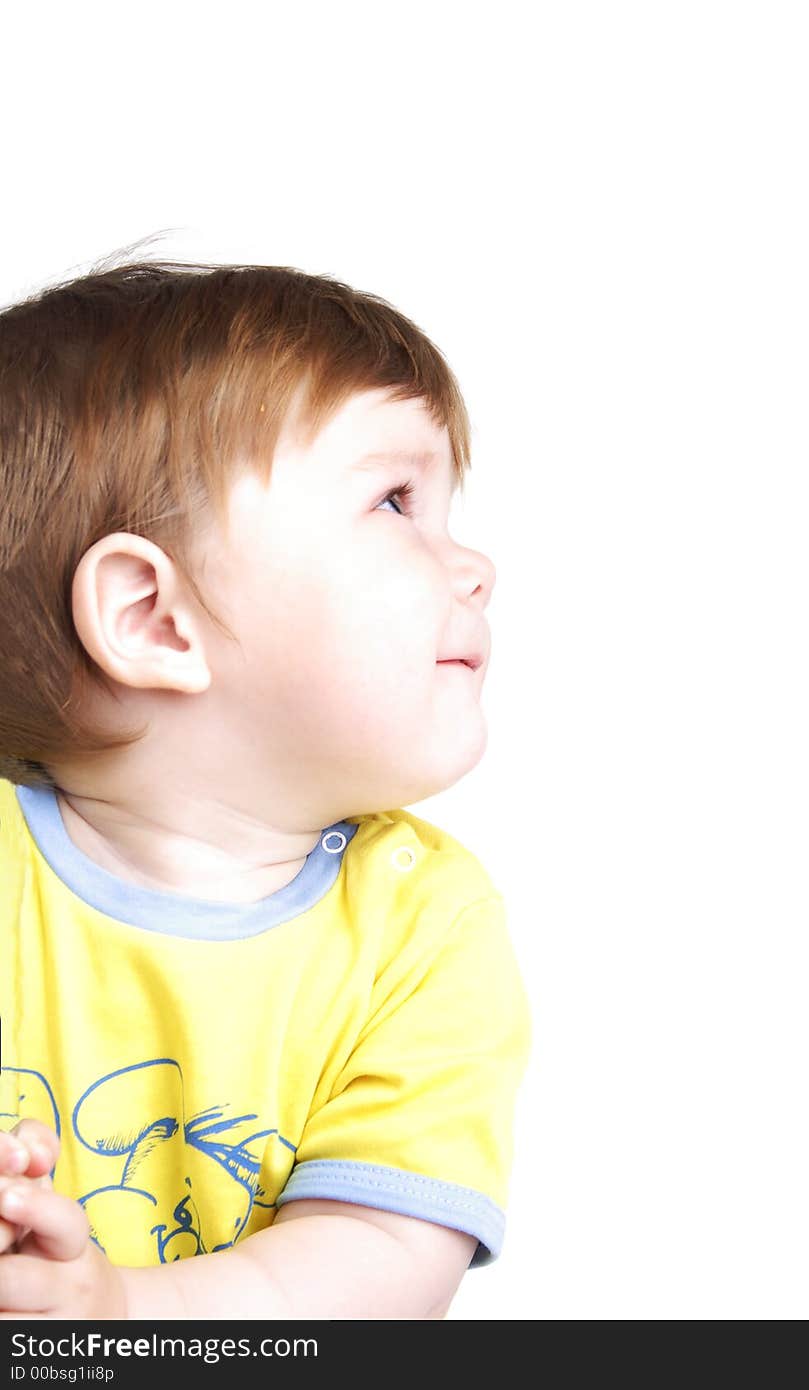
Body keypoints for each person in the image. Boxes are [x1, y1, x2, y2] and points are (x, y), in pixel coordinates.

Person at [0, 255, 531, 1320]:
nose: (474, 565)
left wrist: (121, 1316)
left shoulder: (423, 934)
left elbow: (378, 1263)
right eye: (395, 501)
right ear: (155, 619)